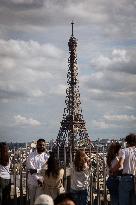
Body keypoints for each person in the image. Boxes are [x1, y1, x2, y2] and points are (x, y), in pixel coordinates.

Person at [26, 138, 49, 205]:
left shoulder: (46, 156)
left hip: (41, 182)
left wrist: (36, 170)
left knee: (39, 201)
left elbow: (46, 169)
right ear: (37, 145)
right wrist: (38, 178)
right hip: (33, 182)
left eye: (43, 145)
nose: (42, 146)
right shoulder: (31, 155)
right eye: (40, 145)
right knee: (32, 201)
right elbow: (30, 169)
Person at [117, 133, 136, 205]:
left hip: (126, 178)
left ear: (127, 142)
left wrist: (113, 170)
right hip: (135, 177)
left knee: (124, 202)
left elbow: (120, 165)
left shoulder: (124, 151)